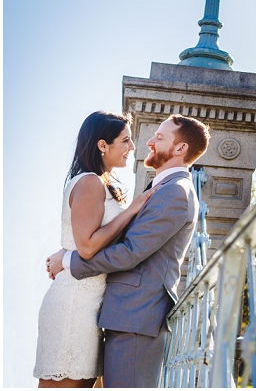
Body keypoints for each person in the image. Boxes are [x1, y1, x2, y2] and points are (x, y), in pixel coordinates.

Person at [45, 114, 209, 388]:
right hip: (120, 314)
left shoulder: (176, 192)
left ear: (181, 149)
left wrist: (69, 260)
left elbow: (130, 252)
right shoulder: (162, 187)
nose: (148, 142)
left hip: (135, 316)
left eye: (159, 137)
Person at [34, 111, 155, 387]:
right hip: (74, 303)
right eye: (125, 140)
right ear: (103, 145)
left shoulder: (106, 184)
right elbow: (87, 246)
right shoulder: (89, 182)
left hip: (92, 304)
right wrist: (133, 209)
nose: (132, 148)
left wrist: (63, 256)